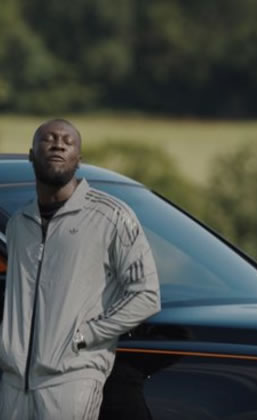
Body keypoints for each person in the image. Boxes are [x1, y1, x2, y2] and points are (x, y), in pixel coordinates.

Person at [0, 119, 161, 419]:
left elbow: (146, 294)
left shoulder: (111, 216)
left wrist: (84, 336)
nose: (58, 143)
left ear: (79, 160)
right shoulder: (18, 224)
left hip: (70, 380)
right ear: (32, 154)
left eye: (67, 141)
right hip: (13, 385)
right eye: (48, 138)